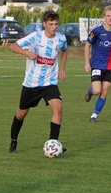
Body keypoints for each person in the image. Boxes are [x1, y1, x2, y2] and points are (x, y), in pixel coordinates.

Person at [7, 10, 69, 153]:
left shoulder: (61, 39)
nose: (54, 27)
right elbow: (12, 46)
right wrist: (27, 52)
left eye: (56, 24)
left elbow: (65, 51)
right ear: (44, 24)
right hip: (32, 83)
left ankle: (53, 143)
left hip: (50, 83)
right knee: (22, 113)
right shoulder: (35, 37)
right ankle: (13, 141)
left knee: (58, 108)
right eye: (51, 24)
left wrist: (62, 68)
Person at [83, 5, 111, 122]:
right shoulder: (97, 31)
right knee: (97, 90)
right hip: (97, 64)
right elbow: (87, 45)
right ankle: (90, 91)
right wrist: (87, 62)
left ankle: (94, 116)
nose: (110, 18)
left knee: (105, 91)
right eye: (108, 16)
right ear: (104, 17)